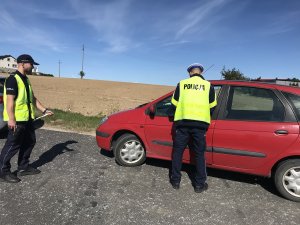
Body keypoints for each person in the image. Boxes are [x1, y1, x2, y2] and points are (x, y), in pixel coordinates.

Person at [0, 54, 54, 183]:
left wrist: (44, 110)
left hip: (28, 119)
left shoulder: (26, 80)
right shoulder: (13, 79)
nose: (33, 66)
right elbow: (10, 101)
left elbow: (32, 99)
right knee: (12, 146)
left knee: (30, 142)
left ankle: (23, 167)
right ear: (23, 63)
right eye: (31, 63)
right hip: (17, 120)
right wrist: (11, 119)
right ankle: (3, 172)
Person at [169, 63, 217, 193]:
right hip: (200, 126)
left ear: (190, 72)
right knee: (199, 155)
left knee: (178, 152)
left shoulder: (182, 84)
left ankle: (175, 181)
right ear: (201, 72)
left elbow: (174, 104)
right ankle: (199, 185)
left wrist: (171, 115)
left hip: (183, 124)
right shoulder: (208, 86)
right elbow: (212, 106)